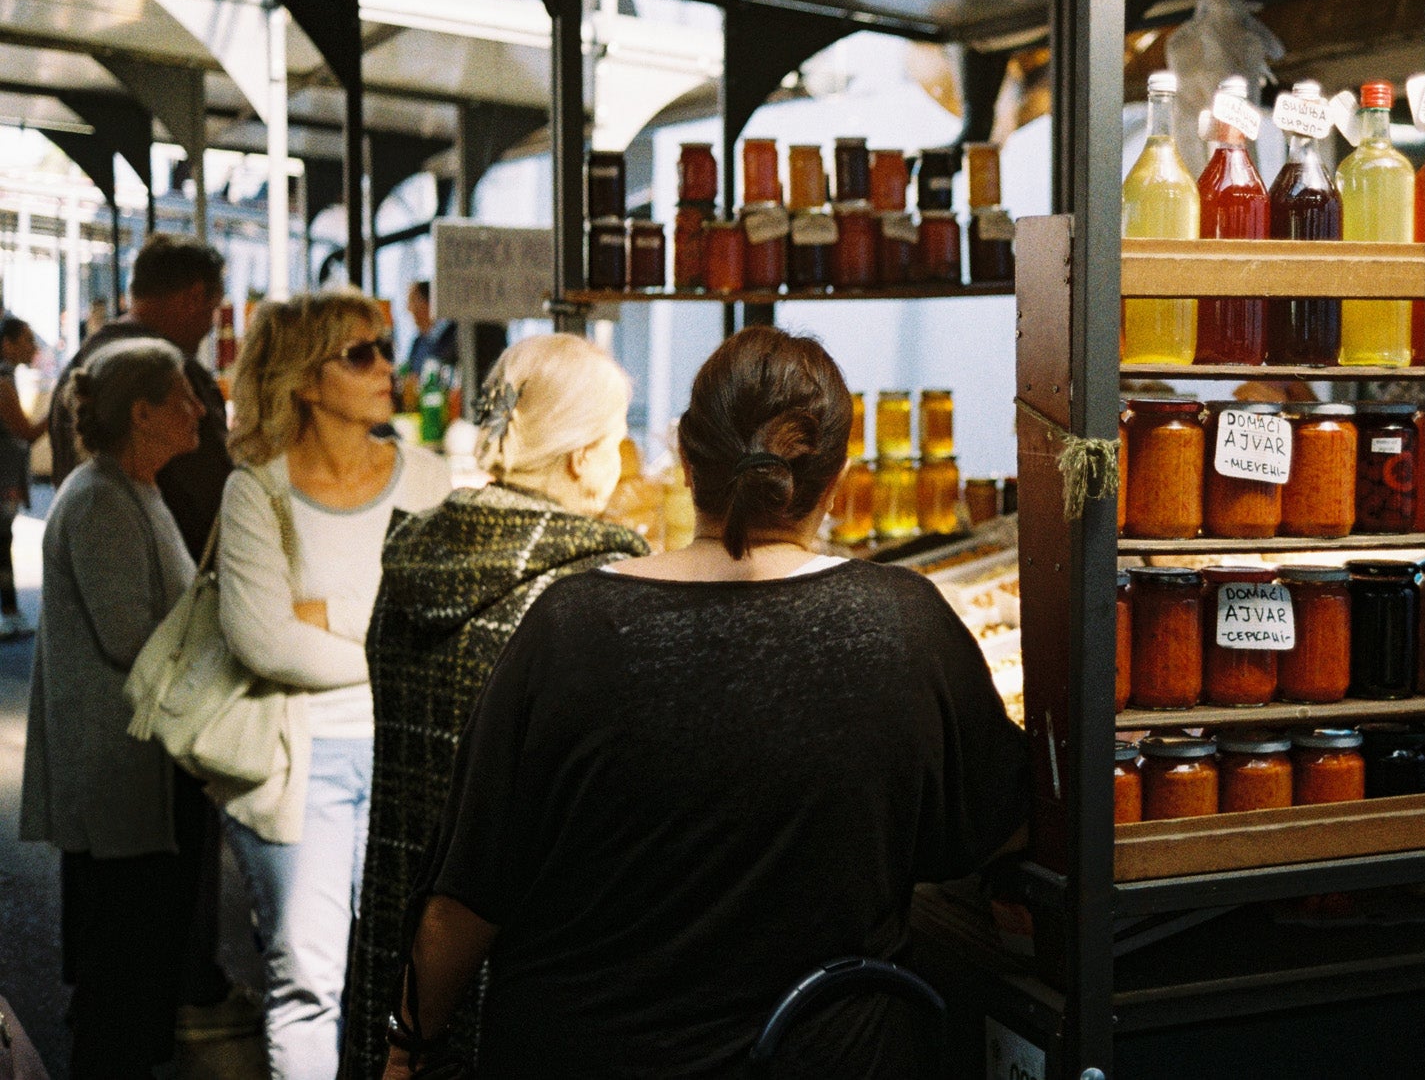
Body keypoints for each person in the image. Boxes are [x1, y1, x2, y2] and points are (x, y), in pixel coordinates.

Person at [385, 328, 1028, 1078]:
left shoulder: (571, 625)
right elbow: (1003, 823)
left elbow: (461, 902)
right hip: (822, 1056)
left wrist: (408, 1047)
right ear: (839, 479)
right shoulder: (907, 626)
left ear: (687, 464)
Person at [340, 335, 650, 1079]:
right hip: (535, 969)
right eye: (617, 441)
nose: (622, 459)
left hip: (397, 944)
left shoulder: (415, 555)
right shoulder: (596, 588)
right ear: (581, 458)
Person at [219, 291, 452, 1079]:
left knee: (408, 978)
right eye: (360, 353)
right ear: (305, 379)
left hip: (410, 757)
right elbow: (262, 640)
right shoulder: (258, 490)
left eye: (383, 348)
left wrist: (330, 614)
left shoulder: (431, 480)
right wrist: (389, 639)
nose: (388, 366)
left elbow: (442, 619)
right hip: (302, 757)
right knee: (309, 982)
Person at [18, 337, 206, 1077]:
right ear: (144, 411)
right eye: (185, 394)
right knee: (120, 976)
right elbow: (135, 635)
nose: (198, 407)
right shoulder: (100, 497)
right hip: (117, 777)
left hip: (141, 772)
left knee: (135, 966)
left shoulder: (139, 488)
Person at [50, 233, 230, 561]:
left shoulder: (80, 365)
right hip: (166, 580)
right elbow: (218, 497)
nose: (210, 326)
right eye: (213, 309)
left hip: (85, 558)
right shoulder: (174, 374)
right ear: (194, 297)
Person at [0, 315, 49, 631]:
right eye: (27, 339)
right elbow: (25, 431)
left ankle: (10, 611)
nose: (33, 346)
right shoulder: (3, 381)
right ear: (8, 343)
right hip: (3, 477)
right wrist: (57, 410)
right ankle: (9, 612)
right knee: (2, 541)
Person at [402, 281, 457, 374]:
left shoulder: (455, 337)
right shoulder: (418, 342)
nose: (408, 308)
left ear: (428, 303)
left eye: (412, 301)